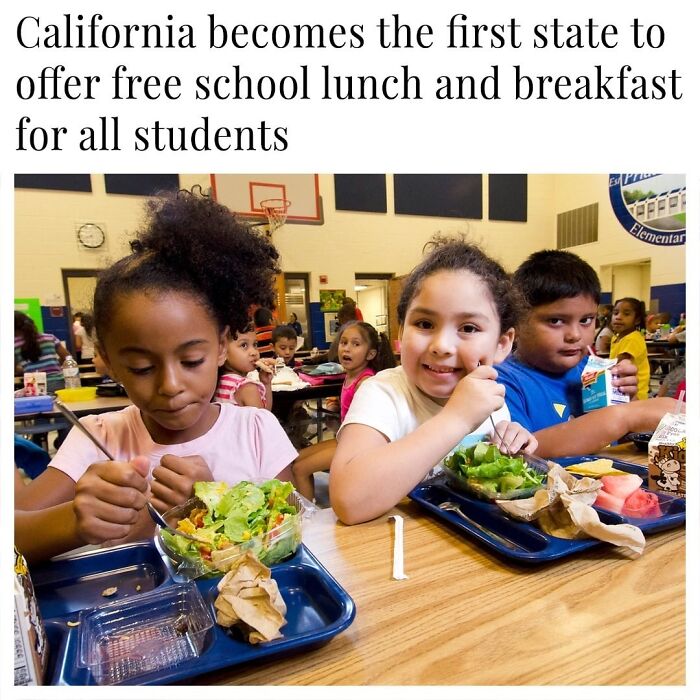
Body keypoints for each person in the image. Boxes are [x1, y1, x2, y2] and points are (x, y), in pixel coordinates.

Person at [14, 191, 297, 562]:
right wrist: (74, 521)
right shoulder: (97, 436)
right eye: (142, 368)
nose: (170, 386)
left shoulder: (257, 430)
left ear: (222, 346)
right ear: (108, 363)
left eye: (192, 360)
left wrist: (211, 507)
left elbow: (291, 530)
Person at [330, 236, 537, 525]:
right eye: (425, 324)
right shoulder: (382, 392)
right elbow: (348, 501)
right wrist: (457, 418)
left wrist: (511, 443)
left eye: (468, 327)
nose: (442, 345)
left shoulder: (490, 399)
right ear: (401, 333)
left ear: (502, 344)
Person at [497, 250, 683, 458]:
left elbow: (617, 447)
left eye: (586, 320)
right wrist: (626, 416)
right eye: (556, 321)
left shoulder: (594, 371)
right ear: (517, 321)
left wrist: (627, 400)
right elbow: (520, 455)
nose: (575, 335)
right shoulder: (501, 383)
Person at [292, 321, 396, 501]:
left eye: (356, 344)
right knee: (296, 459)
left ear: (370, 354)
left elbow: (367, 429)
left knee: (300, 469)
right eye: (343, 342)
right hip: (345, 440)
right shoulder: (350, 375)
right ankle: (306, 508)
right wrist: (336, 418)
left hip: (357, 449)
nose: (346, 349)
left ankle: (308, 522)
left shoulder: (365, 382)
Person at [215, 324, 274, 409]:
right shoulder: (248, 388)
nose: (254, 352)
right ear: (223, 350)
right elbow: (263, 419)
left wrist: (266, 383)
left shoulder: (217, 382)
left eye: (255, 344)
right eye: (244, 345)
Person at [14, 311, 69, 393]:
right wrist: (53, 363)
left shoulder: (14, 344)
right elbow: (67, 357)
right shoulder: (50, 337)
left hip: (33, 385)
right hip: (58, 382)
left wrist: (27, 367)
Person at [609, 297, 650, 400]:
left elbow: (619, 363)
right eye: (615, 313)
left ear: (637, 320)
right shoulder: (616, 337)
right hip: (623, 389)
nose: (618, 317)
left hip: (635, 393)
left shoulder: (632, 338)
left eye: (626, 314)